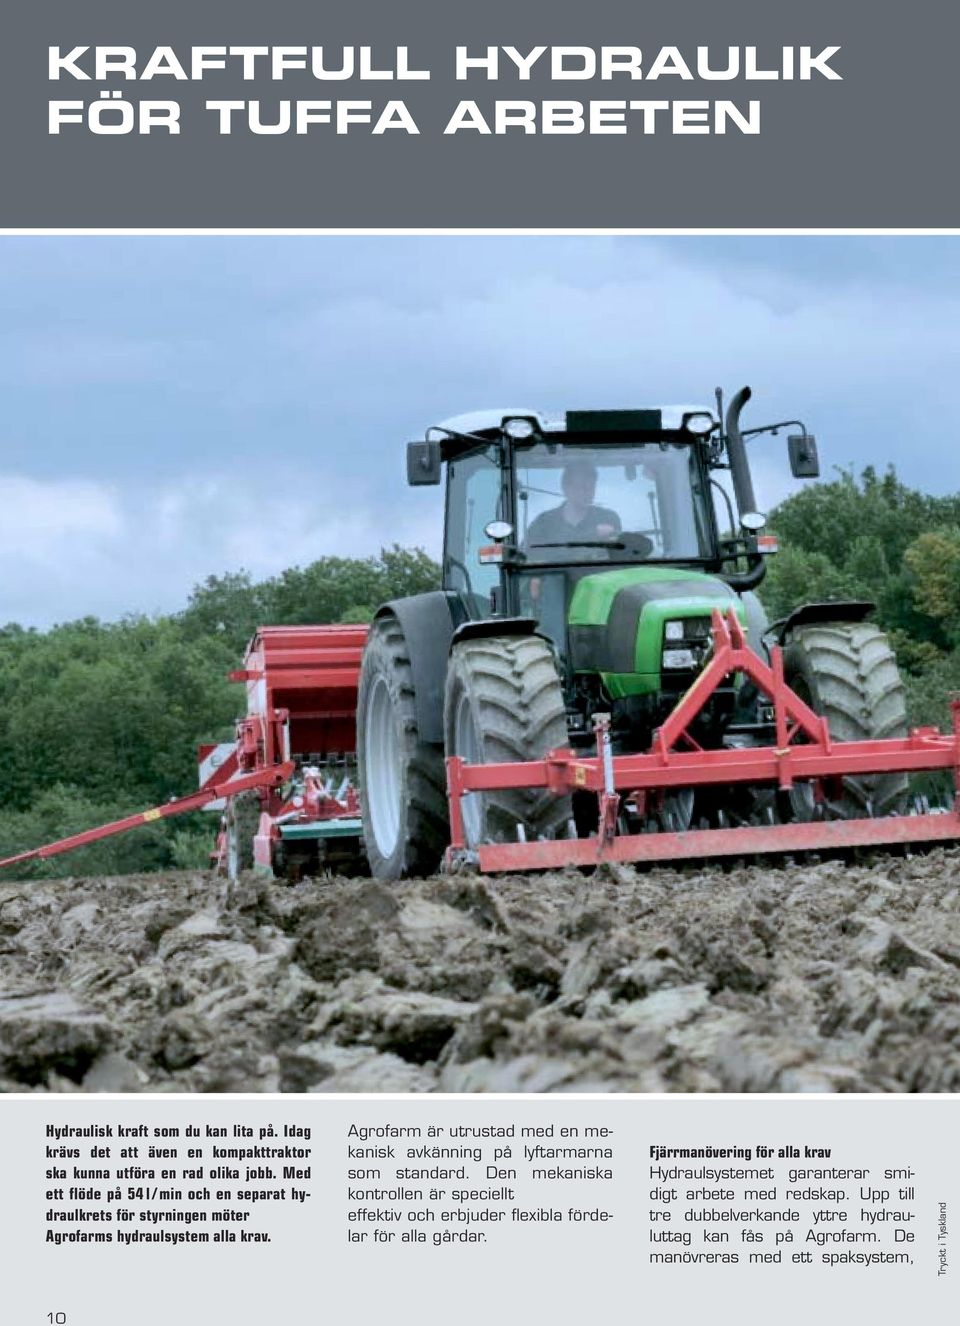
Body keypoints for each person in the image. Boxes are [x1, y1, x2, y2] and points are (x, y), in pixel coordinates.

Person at [525, 459, 621, 550]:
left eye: (591, 487)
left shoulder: (608, 518)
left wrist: (611, 539)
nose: (587, 492)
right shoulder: (543, 524)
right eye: (581, 486)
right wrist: (592, 535)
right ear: (565, 488)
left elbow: (620, 554)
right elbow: (528, 557)